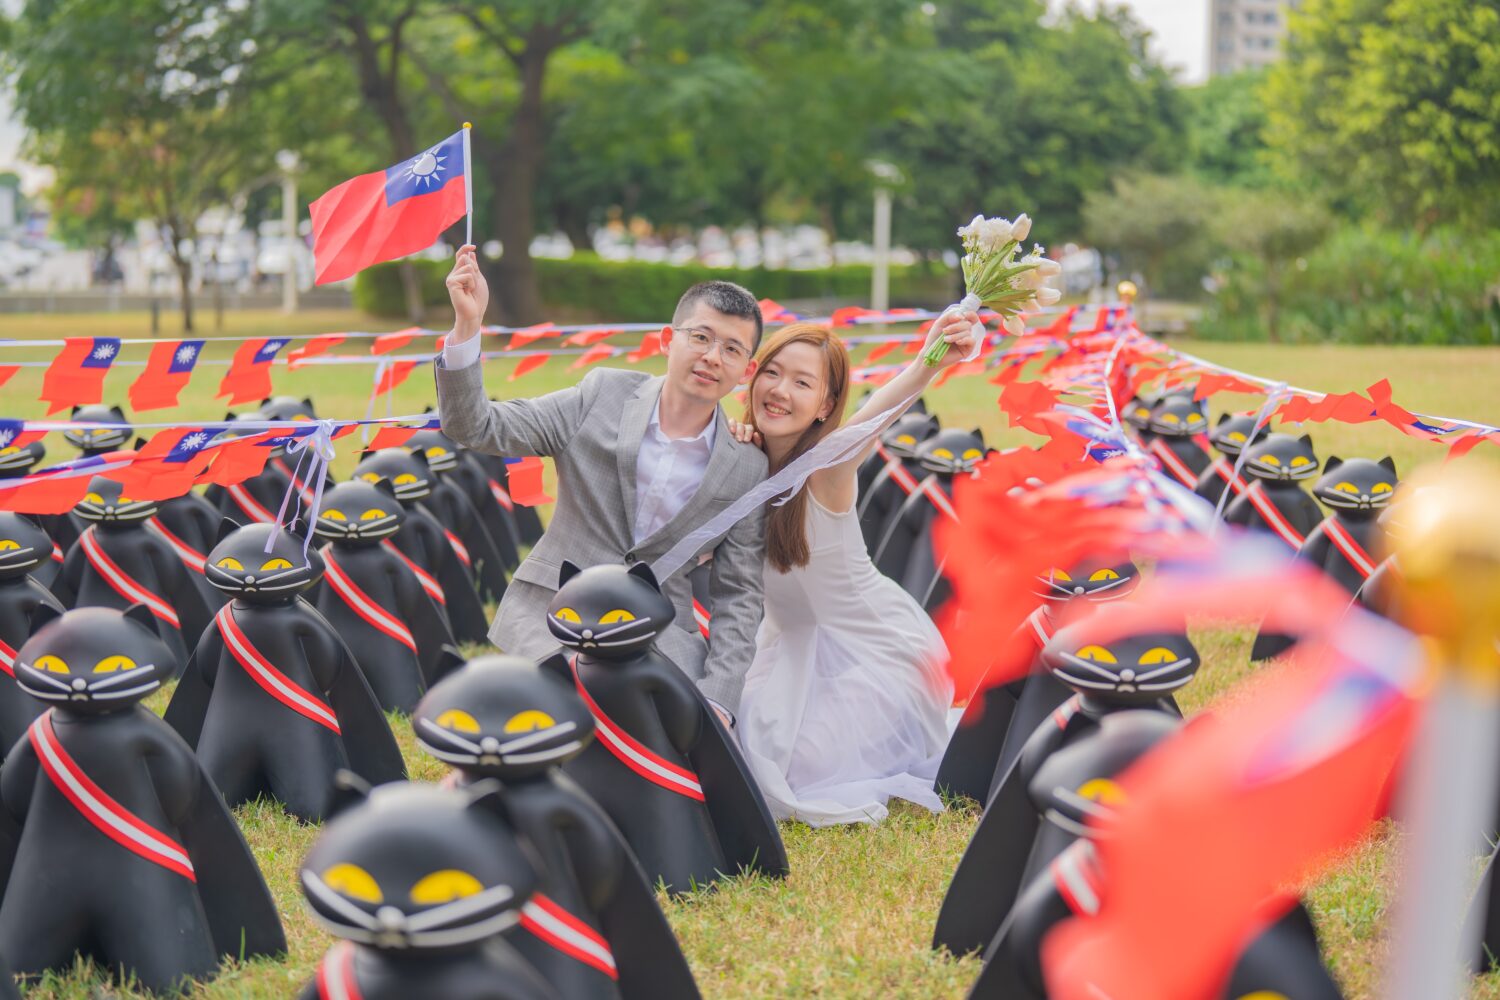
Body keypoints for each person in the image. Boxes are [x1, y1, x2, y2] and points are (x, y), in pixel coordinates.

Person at [434, 245, 768, 726]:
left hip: (660, 637)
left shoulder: (746, 467)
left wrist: (719, 697)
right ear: (666, 340)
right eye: (700, 337)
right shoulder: (601, 394)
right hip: (554, 620)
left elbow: (739, 595)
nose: (713, 357)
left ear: (747, 370)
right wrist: (468, 327)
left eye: (732, 349)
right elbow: (476, 426)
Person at [727, 313, 977, 825]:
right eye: (772, 373)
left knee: (788, 770)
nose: (779, 390)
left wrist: (929, 362)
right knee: (734, 746)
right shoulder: (736, 460)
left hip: (876, 656)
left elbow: (876, 416)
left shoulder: (826, 467)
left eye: (802, 382)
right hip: (790, 650)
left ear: (825, 405)